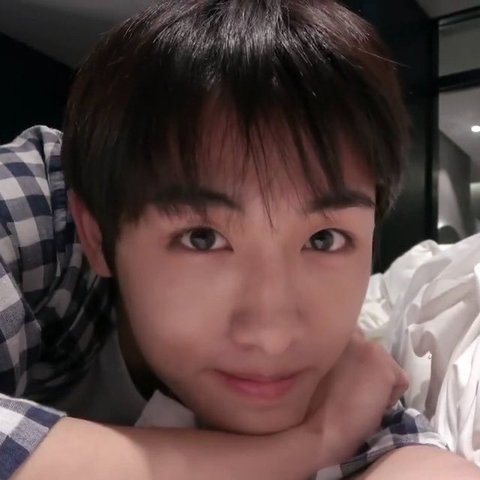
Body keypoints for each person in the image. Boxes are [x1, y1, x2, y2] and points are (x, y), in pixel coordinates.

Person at [0, 1, 478, 478]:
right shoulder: (43, 202)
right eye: (202, 238)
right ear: (97, 235)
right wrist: (310, 446)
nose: (273, 337)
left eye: (324, 239)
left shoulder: (353, 389)